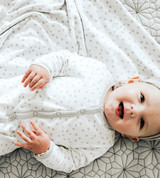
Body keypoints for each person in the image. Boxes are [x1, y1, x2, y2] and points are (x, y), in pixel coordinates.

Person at [0, 50, 160, 173]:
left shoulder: (101, 143)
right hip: (12, 92)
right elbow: (64, 59)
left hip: (9, 135)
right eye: (141, 98)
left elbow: (69, 162)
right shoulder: (98, 73)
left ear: (131, 136)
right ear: (130, 82)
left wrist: (46, 150)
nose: (135, 111)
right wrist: (45, 68)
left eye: (142, 122)